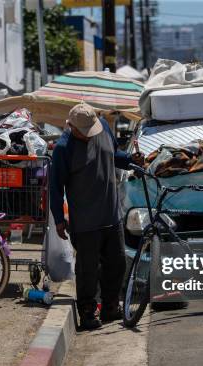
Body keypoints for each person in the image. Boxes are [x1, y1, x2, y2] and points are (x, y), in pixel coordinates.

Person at [50, 103, 144, 330]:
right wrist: (59, 220)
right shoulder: (64, 148)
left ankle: (111, 307)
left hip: (111, 215)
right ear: (72, 127)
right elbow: (55, 186)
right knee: (87, 270)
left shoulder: (101, 126)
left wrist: (132, 160)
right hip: (85, 222)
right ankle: (87, 311)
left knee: (117, 264)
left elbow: (114, 154)